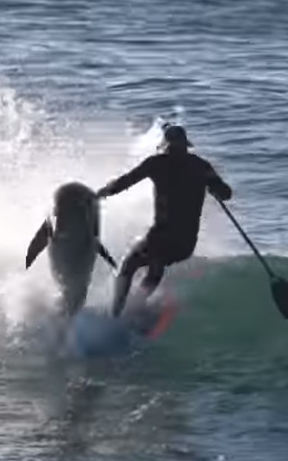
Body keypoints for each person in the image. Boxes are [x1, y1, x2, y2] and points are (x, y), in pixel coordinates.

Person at [96, 123, 232, 317]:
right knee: (148, 264)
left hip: (168, 238)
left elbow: (123, 182)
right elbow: (226, 194)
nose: (177, 152)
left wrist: (100, 194)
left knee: (136, 264)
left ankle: (121, 313)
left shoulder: (159, 164)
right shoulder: (199, 166)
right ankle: (129, 309)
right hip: (182, 242)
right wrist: (215, 186)